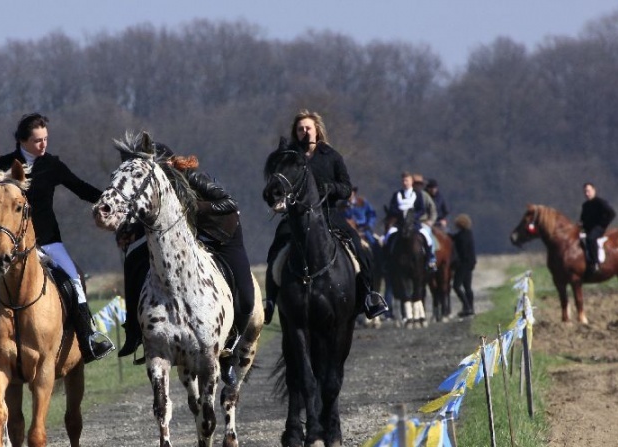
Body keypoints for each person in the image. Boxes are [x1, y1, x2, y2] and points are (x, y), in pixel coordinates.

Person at [0, 113, 114, 364]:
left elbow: (80, 188)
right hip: (10, 244)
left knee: (75, 279)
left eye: (45, 139)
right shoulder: (3, 165)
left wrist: (110, 202)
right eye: (37, 140)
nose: (43, 144)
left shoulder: (52, 164)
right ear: (22, 140)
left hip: (48, 240)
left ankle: (87, 338)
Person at [116, 143, 255, 366]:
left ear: (168, 164)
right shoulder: (156, 188)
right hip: (187, 241)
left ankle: (232, 343)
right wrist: (131, 233)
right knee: (133, 260)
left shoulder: (193, 177)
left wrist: (195, 206)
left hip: (222, 238)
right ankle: (133, 330)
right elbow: (153, 220)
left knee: (247, 298)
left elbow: (230, 203)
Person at [264, 109, 387, 324]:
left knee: (358, 245)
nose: (304, 132)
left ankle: (369, 296)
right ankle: (270, 302)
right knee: (276, 249)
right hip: (296, 216)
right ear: (295, 132)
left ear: (317, 130)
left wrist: (330, 188)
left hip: (328, 213)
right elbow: (279, 183)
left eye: (308, 128)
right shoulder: (290, 158)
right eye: (300, 129)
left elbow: (346, 188)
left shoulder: (332, 156)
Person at [385, 172, 436, 271]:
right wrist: (400, 213)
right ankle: (386, 261)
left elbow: (421, 209)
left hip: (414, 224)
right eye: (403, 181)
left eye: (407, 180)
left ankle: (430, 260)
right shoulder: (397, 194)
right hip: (400, 224)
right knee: (387, 237)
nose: (405, 183)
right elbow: (392, 208)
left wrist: (413, 216)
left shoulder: (418, 194)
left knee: (427, 237)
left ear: (411, 182)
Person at [579, 182, 616, 273]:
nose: (587, 193)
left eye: (588, 191)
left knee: (591, 238)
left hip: (599, 228)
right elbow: (583, 219)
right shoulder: (585, 205)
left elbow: (612, 213)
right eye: (585, 192)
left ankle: (596, 263)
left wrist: (603, 224)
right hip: (587, 229)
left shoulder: (600, 202)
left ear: (594, 190)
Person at [450, 214, 477, 317]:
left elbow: (456, 242)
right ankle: (471, 307)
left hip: (462, 264)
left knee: (456, 286)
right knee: (467, 287)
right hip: (470, 263)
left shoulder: (460, 236)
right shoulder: (469, 234)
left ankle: (466, 306)